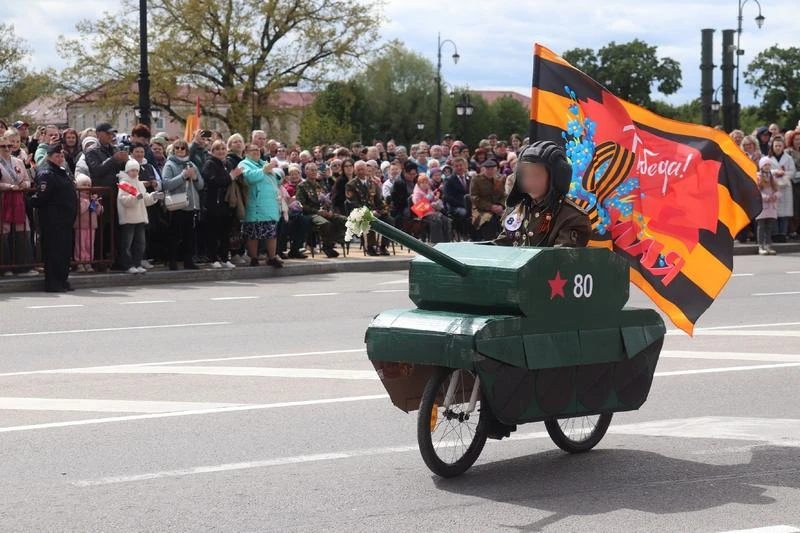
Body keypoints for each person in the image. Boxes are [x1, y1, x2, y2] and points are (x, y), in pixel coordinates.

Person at [494, 141, 591, 247]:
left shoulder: (572, 217)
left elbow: (562, 255)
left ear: (556, 178)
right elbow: (503, 244)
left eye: (536, 175)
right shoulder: (518, 208)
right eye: (525, 174)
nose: (529, 181)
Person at [31, 144, 77, 292]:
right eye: (57, 156)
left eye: (61, 156)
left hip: (65, 219)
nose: (60, 159)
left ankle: (62, 280)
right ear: (49, 157)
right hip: (53, 219)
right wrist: (29, 201)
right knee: (53, 251)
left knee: (64, 251)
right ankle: (53, 282)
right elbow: (42, 196)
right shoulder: (47, 172)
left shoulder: (60, 171)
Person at [85, 122, 129, 268]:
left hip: (117, 194)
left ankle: (116, 259)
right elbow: (97, 170)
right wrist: (114, 159)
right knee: (101, 229)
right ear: (99, 134)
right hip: (102, 195)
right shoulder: (92, 151)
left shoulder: (114, 149)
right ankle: (100, 260)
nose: (111, 136)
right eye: (108, 133)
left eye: (112, 133)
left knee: (117, 228)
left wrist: (125, 161)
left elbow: (122, 170)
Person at [161, 139, 204, 270]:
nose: (180, 150)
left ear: (187, 150)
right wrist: (183, 176)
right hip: (177, 204)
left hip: (191, 205)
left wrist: (195, 178)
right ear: (173, 150)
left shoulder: (191, 164)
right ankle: (172, 261)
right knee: (175, 234)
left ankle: (188, 261)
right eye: (177, 148)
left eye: (182, 148)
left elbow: (201, 185)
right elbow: (166, 184)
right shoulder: (169, 164)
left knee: (189, 235)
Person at [239, 144, 283, 268]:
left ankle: (272, 257)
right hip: (255, 203)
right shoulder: (244, 164)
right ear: (246, 152)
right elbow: (249, 178)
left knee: (271, 232)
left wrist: (274, 172)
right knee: (253, 233)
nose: (257, 152)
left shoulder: (264, 163)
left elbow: (278, 179)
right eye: (253, 150)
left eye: (258, 150)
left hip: (270, 203)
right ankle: (253, 257)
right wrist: (264, 170)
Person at [116, 159, 164, 273]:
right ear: (127, 171)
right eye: (132, 170)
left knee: (140, 243)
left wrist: (153, 196)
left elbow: (144, 199)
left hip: (140, 218)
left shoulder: (139, 183)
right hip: (128, 218)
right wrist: (135, 198)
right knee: (127, 243)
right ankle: (128, 265)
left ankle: (137, 263)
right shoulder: (124, 184)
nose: (134, 173)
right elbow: (123, 200)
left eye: (136, 170)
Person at [0, 133, 37, 276]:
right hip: (3, 201)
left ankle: (23, 267)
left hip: (18, 201)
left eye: (9, 146)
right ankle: (5, 268)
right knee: (4, 232)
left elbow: (27, 180)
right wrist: (9, 187)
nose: (7, 148)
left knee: (22, 231)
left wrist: (24, 185)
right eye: (3, 146)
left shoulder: (19, 161)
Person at [296, 162, 346, 258]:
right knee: (326, 223)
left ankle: (333, 241)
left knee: (343, 219)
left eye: (315, 170)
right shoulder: (301, 186)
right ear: (306, 171)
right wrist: (317, 212)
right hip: (311, 214)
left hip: (324, 212)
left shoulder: (320, 185)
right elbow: (301, 205)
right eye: (311, 170)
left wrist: (330, 211)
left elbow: (328, 200)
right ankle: (327, 247)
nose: (314, 172)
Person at [202, 140, 239, 268]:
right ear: (212, 151)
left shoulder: (228, 163)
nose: (221, 151)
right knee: (213, 232)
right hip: (213, 203)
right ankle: (213, 258)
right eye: (217, 149)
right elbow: (212, 181)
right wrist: (230, 177)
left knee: (225, 232)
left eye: (223, 149)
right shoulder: (209, 164)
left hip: (226, 203)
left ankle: (224, 258)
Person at [346, 160, 393, 256]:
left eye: (363, 169)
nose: (361, 172)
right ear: (355, 171)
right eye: (358, 170)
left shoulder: (371, 183)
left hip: (374, 211)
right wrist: (370, 212)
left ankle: (383, 246)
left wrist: (382, 209)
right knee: (368, 220)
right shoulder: (351, 185)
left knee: (389, 219)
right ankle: (370, 247)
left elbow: (378, 200)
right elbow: (354, 203)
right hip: (359, 212)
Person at [469, 159, 506, 241]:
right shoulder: (476, 179)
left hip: (499, 208)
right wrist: (490, 207)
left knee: (509, 218)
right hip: (481, 209)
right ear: (483, 169)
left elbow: (504, 195)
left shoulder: (500, 179)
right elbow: (474, 197)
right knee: (490, 220)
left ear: (496, 170)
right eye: (488, 169)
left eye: (493, 169)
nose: (490, 172)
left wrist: (501, 205)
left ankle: (505, 240)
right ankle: (489, 241)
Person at [768, 136, 795, 243]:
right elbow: (765, 171)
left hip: (785, 187)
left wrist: (783, 173)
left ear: (783, 146)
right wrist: (776, 172)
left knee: (784, 213)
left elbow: (792, 172)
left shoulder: (788, 158)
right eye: (776, 146)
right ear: (773, 147)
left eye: (780, 146)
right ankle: (775, 234)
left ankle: (783, 234)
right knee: (774, 212)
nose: (778, 148)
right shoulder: (768, 158)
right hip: (773, 187)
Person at [73, 175, 102, 273]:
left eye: (89, 185)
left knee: (89, 244)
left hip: (92, 225)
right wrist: (87, 202)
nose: (87, 187)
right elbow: (80, 210)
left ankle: (88, 261)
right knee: (80, 244)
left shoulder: (92, 197)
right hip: (80, 225)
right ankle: (80, 262)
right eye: (84, 184)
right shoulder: (77, 197)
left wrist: (97, 204)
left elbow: (99, 212)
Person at [412, 174, 452, 244]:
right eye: (422, 183)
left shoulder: (429, 190)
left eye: (426, 182)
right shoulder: (417, 193)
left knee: (445, 219)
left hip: (433, 211)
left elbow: (434, 200)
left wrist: (436, 199)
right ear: (419, 183)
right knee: (436, 220)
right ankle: (437, 242)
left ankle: (447, 242)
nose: (425, 184)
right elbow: (418, 205)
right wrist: (429, 202)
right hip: (424, 214)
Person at [443, 157, 472, 240]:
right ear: (453, 167)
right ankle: (464, 235)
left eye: (460, 165)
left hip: (469, 205)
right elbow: (448, 197)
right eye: (456, 166)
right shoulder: (449, 180)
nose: (459, 167)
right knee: (465, 213)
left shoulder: (470, 178)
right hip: (455, 206)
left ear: (465, 166)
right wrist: (464, 204)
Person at [756, 157, 780, 255]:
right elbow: (756, 191)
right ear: (761, 166)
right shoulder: (758, 176)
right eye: (765, 165)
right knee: (761, 226)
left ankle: (768, 245)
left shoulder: (772, 177)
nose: (767, 166)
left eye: (769, 165)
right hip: (762, 205)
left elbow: (777, 189)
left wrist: (775, 196)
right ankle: (761, 246)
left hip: (771, 205)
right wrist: (765, 197)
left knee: (769, 226)